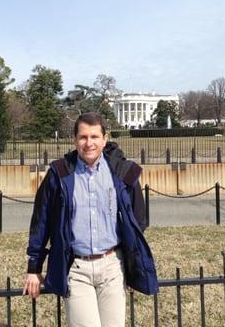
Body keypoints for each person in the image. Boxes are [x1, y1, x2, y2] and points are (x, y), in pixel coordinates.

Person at [23, 112, 158, 326]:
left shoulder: (121, 173)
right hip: (77, 268)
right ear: (74, 140)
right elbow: (41, 222)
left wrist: (132, 267)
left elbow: (138, 220)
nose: (89, 143)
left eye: (94, 137)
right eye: (83, 137)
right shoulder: (59, 174)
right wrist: (34, 268)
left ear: (105, 139)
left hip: (113, 266)